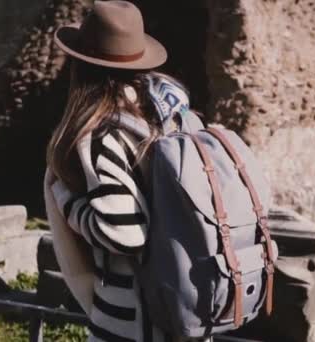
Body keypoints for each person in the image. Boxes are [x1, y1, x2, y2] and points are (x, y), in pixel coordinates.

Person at [44, 1, 205, 341]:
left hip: (132, 325)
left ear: (81, 66)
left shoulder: (103, 134)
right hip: (191, 309)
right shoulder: (182, 119)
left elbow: (125, 233)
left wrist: (65, 200)